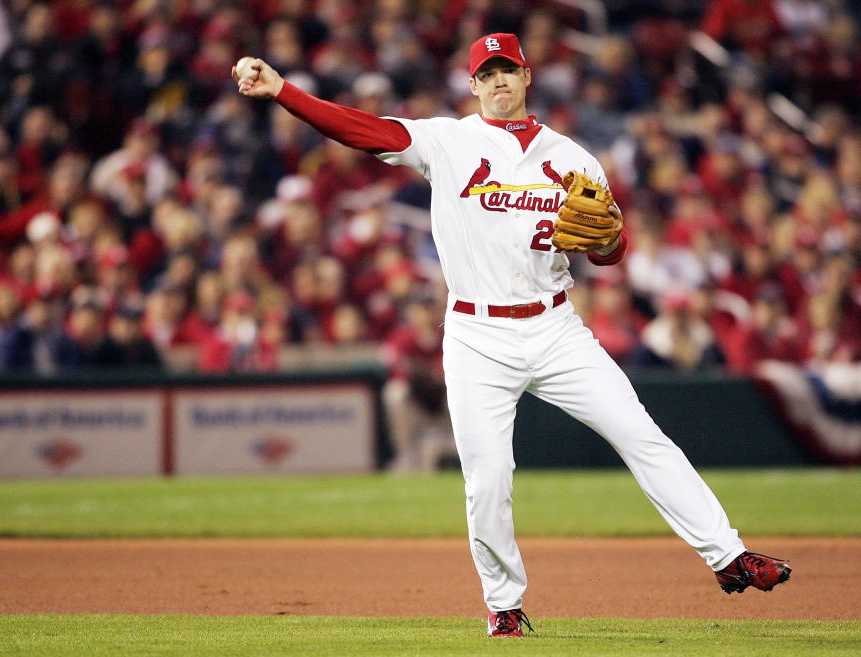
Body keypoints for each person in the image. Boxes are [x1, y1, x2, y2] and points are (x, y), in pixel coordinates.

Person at [234, 33, 792, 637]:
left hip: (555, 327)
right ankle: (504, 606)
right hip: (476, 334)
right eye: (488, 72)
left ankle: (729, 556)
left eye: (509, 70)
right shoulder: (446, 142)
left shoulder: (575, 157)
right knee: (489, 475)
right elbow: (360, 129)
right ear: (473, 85)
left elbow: (611, 248)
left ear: (528, 78)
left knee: (642, 435)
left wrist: (606, 241)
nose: (499, 81)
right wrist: (283, 91)